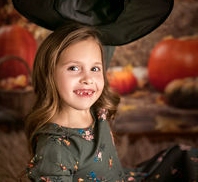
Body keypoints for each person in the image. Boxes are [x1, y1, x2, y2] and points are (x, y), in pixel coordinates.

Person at [25, 23, 198, 182]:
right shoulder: (55, 149)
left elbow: (105, 42)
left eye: (95, 68)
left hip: (122, 177)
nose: (88, 78)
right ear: (48, 74)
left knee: (184, 156)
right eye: (74, 68)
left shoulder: (93, 107)